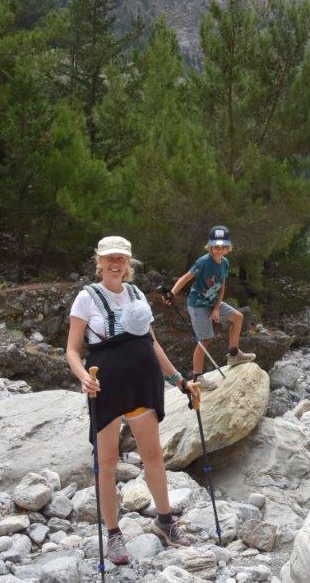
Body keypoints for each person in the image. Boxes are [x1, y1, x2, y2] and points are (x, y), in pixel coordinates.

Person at [66, 236, 201, 564]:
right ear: (99, 262)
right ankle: (113, 535)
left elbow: (152, 344)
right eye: (110, 258)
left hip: (143, 382)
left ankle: (165, 521)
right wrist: (83, 377)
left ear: (129, 264)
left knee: (153, 457)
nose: (115, 264)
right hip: (106, 386)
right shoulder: (86, 297)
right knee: (107, 464)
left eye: (121, 259)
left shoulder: (138, 294)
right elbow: (71, 349)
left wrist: (180, 380)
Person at [165, 225, 255, 390]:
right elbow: (185, 278)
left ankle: (234, 355)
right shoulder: (204, 262)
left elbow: (221, 286)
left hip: (213, 302)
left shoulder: (225, 263)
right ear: (210, 246)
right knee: (204, 340)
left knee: (238, 317)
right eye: (216, 246)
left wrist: (216, 308)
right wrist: (172, 293)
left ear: (228, 248)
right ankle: (198, 378)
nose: (219, 249)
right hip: (198, 305)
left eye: (223, 246)